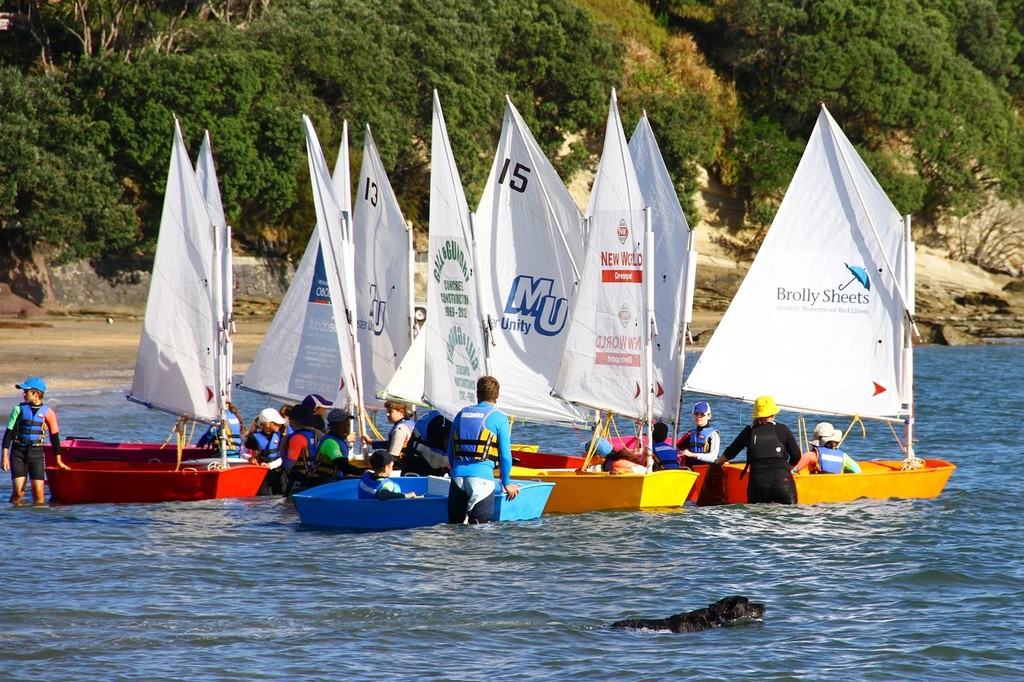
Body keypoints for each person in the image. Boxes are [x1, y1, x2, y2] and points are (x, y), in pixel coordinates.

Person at [446, 375, 519, 524]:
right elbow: (505, 456)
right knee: (479, 536)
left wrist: (456, 470)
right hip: (482, 481)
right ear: (497, 396)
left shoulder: (461, 414)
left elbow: (450, 450)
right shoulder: (499, 418)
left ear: (477, 394)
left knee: (455, 531)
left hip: (458, 479)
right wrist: (506, 483)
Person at [713, 395, 801, 504]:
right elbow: (796, 455)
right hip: (783, 482)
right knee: (788, 517)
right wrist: (788, 469)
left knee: (758, 519)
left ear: (756, 415)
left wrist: (718, 462)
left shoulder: (748, 431)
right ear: (773, 414)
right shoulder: (783, 429)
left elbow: (731, 451)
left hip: (758, 484)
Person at [2, 377, 65, 506]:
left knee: (38, 493)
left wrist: (58, 460)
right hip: (18, 453)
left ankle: (36, 522)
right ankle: (12, 517)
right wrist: (4, 456)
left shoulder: (48, 413)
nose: (23, 394)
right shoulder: (18, 409)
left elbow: (54, 438)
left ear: (36, 393)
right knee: (19, 493)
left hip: (36, 454)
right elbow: (8, 434)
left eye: (26, 391)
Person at [308, 408, 363, 484]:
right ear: (333, 426)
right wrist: (364, 472)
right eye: (342, 426)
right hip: (319, 484)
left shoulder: (338, 441)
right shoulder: (330, 442)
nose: (346, 429)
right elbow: (342, 465)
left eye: (348, 425)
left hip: (331, 482)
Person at [244, 407, 287, 495]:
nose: (280, 425)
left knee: (280, 497)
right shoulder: (254, 438)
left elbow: (284, 456)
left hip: (278, 473)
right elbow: (242, 451)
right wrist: (250, 458)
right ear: (267, 424)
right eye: (277, 423)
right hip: (262, 474)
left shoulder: (282, 436)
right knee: (263, 499)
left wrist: (269, 465)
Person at [793, 422, 861, 474]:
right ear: (834, 441)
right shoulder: (843, 456)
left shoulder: (812, 455)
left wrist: (793, 471)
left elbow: (797, 468)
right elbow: (857, 470)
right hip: (837, 486)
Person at [281, 404, 320, 496]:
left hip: (298, 479)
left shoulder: (297, 438)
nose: (288, 420)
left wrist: (282, 450)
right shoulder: (315, 435)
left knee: (288, 505)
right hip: (312, 477)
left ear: (296, 420)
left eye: (290, 418)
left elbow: (288, 466)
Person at [403, 409, 452, 476]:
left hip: (414, 453)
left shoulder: (434, 415)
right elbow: (446, 447)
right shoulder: (444, 420)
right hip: (422, 461)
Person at [676, 401, 720, 468]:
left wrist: (692, 455)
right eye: (696, 414)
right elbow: (676, 450)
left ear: (709, 416)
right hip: (690, 470)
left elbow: (713, 457)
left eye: (702, 414)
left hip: (706, 470)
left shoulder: (713, 435)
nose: (698, 417)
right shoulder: (690, 434)